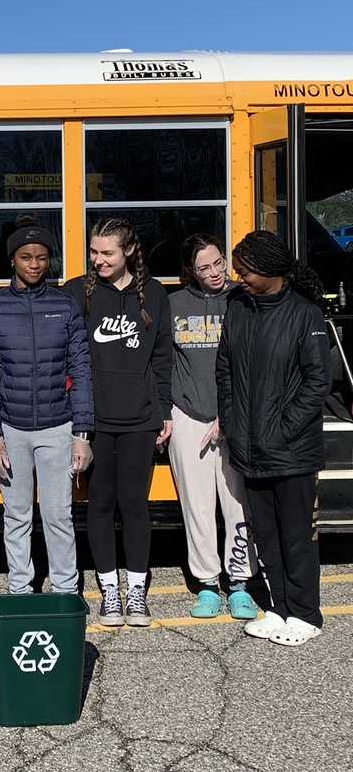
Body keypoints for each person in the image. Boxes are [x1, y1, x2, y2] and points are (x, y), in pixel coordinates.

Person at [217, 230, 330, 646]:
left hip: (292, 450)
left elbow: (318, 382)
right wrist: (230, 418)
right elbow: (224, 368)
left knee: (296, 535)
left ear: (269, 271)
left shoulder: (306, 314)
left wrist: (281, 429)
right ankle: (279, 609)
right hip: (248, 447)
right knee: (266, 535)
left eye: (245, 271)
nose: (237, 276)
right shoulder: (238, 307)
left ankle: (305, 614)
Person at [63, 218, 172, 627]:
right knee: (101, 502)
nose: (98, 260)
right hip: (94, 416)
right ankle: (110, 589)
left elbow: (162, 358)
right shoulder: (77, 292)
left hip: (141, 417)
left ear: (128, 250)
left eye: (107, 253)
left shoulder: (155, 293)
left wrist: (165, 411)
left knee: (134, 503)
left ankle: (137, 591)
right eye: (94, 252)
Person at [0, 225, 93, 599]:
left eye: (42, 257)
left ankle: (65, 590)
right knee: (17, 516)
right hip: (11, 430)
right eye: (26, 257)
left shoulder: (64, 305)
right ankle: (20, 589)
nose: (35, 264)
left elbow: (81, 368)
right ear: (12, 260)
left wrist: (82, 433)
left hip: (59, 428)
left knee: (59, 516)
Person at [168, 234, 257, 620]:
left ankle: (240, 582)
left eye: (219, 263)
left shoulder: (243, 299)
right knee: (197, 505)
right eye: (204, 267)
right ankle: (206, 583)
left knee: (238, 502)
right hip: (188, 415)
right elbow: (163, 362)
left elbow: (253, 362)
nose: (215, 273)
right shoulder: (173, 304)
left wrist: (229, 413)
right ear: (191, 270)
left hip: (235, 415)